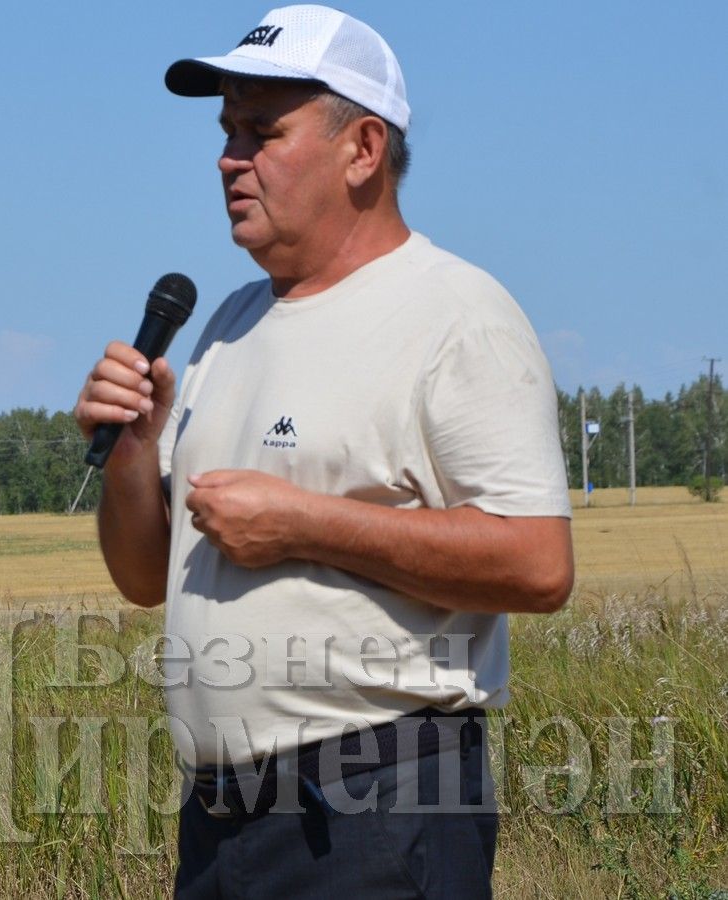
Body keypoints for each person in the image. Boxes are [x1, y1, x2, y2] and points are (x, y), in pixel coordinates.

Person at [72, 6, 574, 898]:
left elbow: (537, 566)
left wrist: (304, 524)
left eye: (263, 131)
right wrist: (129, 458)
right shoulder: (228, 326)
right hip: (220, 819)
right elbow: (147, 578)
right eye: (226, 131)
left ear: (363, 149)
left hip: (375, 807)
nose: (230, 158)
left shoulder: (455, 316)